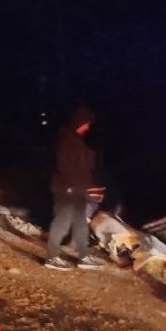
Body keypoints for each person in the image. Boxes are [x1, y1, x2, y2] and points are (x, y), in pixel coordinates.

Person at [44, 106, 107, 271]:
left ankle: (83, 256)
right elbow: (64, 167)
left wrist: (91, 187)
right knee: (62, 223)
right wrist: (77, 186)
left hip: (78, 191)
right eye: (85, 123)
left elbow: (82, 169)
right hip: (65, 190)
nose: (87, 127)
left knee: (80, 224)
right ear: (77, 122)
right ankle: (52, 257)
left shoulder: (78, 141)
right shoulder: (67, 140)